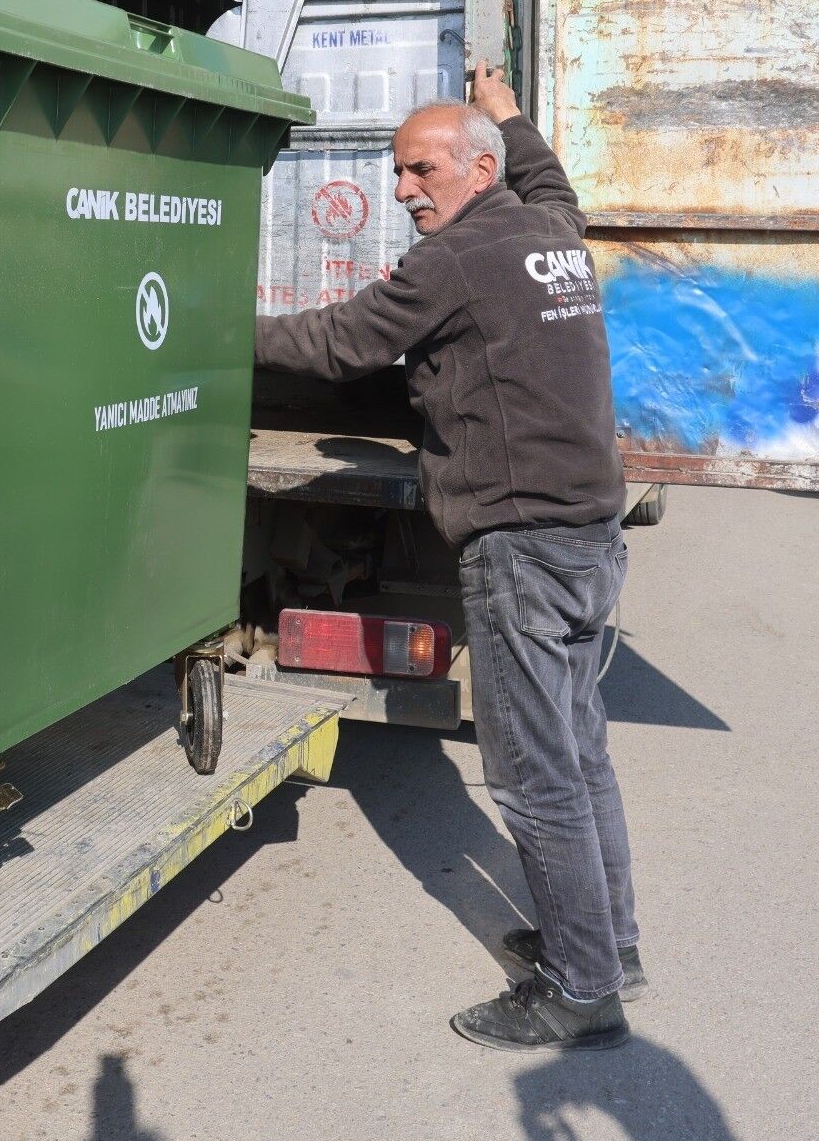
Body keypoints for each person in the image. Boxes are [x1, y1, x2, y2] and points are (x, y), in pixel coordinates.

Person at [254, 68, 642, 1052]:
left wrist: (205, 327)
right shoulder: (550, 230)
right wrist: (506, 109)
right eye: (396, 171)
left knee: (533, 776)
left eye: (420, 169)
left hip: (521, 545)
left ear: (477, 171)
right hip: (588, 534)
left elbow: (340, 342)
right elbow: (549, 176)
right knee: (580, 753)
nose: (401, 190)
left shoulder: (458, 258)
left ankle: (580, 988)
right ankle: (610, 946)